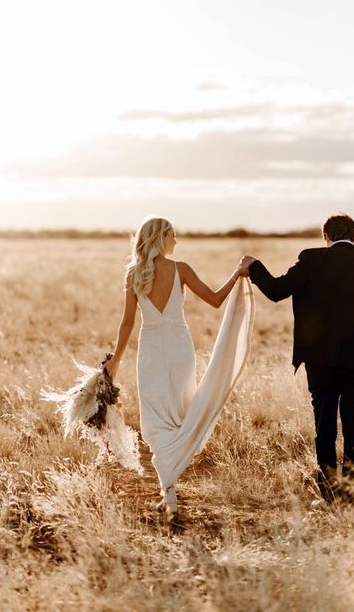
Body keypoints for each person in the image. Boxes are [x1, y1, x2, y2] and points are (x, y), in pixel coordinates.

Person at [239, 212, 354, 503]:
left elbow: (276, 291)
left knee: (324, 426)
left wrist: (254, 267)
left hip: (321, 362)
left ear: (325, 236)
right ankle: (351, 497)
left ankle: (327, 494)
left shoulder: (311, 259)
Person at [106, 216, 254, 517]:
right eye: (173, 235)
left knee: (156, 417)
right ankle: (168, 486)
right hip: (179, 347)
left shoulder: (134, 274)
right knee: (180, 414)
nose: (176, 241)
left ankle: (169, 491)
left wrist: (115, 362)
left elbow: (127, 323)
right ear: (161, 238)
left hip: (150, 349)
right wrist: (237, 275)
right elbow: (215, 300)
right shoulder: (180, 269)